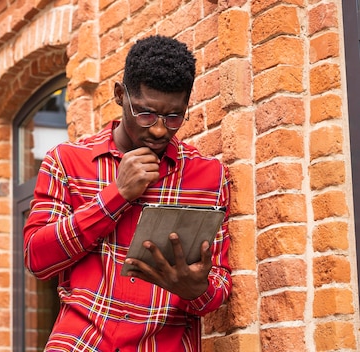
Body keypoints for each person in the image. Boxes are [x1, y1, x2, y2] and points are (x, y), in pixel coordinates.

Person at [23, 35, 232, 351]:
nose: (160, 129)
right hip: (82, 342)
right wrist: (116, 195)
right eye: (146, 113)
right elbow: (37, 259)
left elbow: (219, 285)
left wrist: (195, 289)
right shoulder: (66, 161)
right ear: (121, 95)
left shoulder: (209, 177)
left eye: (173, 116)